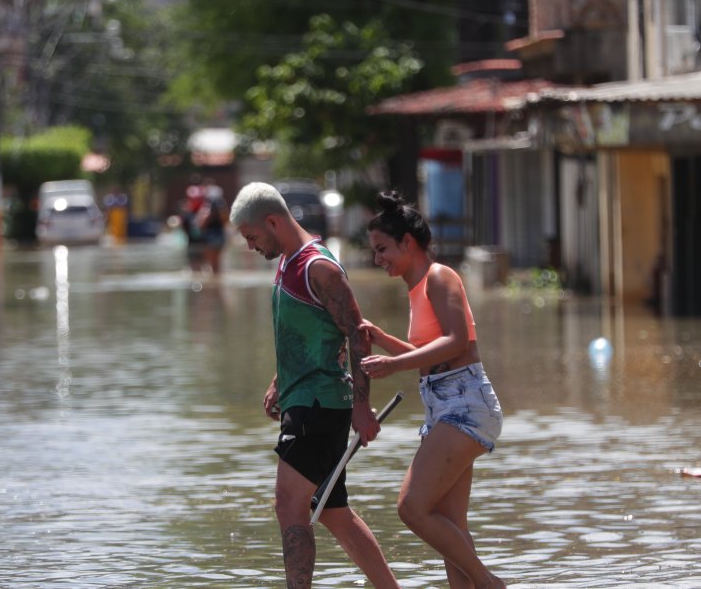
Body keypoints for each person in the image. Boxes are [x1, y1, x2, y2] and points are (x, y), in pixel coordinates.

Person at [229, 182, 399, 589]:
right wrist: (278, 380)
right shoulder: (288, 263)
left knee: (290, 504)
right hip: (303, 400)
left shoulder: (318, 266)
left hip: (320, 406)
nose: (251, 246)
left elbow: (357, 334)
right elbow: (309, 334)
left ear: (273, 221)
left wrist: (362, 406)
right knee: (332, 510)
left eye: (252, 237)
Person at [359, 191, 506, 589]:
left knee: (411, 508)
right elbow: (428, 358)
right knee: (450, 526)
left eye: (382, 249)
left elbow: (459, 343)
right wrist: (383, 340)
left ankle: (488, 583)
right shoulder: (416, 289)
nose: (378, 259)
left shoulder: (440, 276)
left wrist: (392, 364)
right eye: (374, 251)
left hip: (467, 404)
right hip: (445, 406)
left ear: (408, 242)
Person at [197, 182, 229, 275]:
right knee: (218, 262)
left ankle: (214, 280)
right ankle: (217, 279)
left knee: (212, 263)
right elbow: (226, 222)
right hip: (220, 235)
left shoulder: (206, 208)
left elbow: (201, 225)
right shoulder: (222, 208)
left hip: (211, 236)